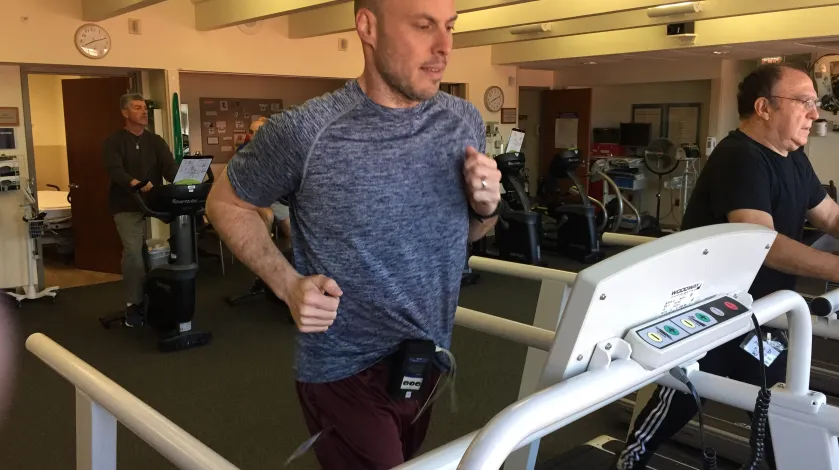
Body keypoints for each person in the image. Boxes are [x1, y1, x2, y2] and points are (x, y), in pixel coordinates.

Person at [205, 0, 502, 467]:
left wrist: (487, 208)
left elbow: (468, 234)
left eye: (449, 27)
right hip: (345, 370)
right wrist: (287, 285)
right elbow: (225, 203)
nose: (444, 47)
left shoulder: (461, 122)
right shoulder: (305, 131)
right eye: (423, 26)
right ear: (368, 26)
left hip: (427, 357)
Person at [617, 63, 839, 469]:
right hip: (711, 313)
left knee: (774, 407)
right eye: (804, 102)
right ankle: (628, 462)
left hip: (761, 313)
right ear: (764, 107)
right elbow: (764, 245)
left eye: (815, 104)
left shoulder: (794, 159)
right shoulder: (740, 157)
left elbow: (829, 216)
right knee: (680, 399)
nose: (814, 113)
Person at [103, 94, 178, 328]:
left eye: (145, 108)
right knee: (134, 252)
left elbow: (170, 169)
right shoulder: (114, 142)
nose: (144, 112)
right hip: (126, 203)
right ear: (125, 113)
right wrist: (134, 182)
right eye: (137, 108)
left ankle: (171, 291)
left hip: (153, 200)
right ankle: (133, 304)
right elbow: (116, 171)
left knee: (185, 230)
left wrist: (187, 182)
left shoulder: (156, 141)